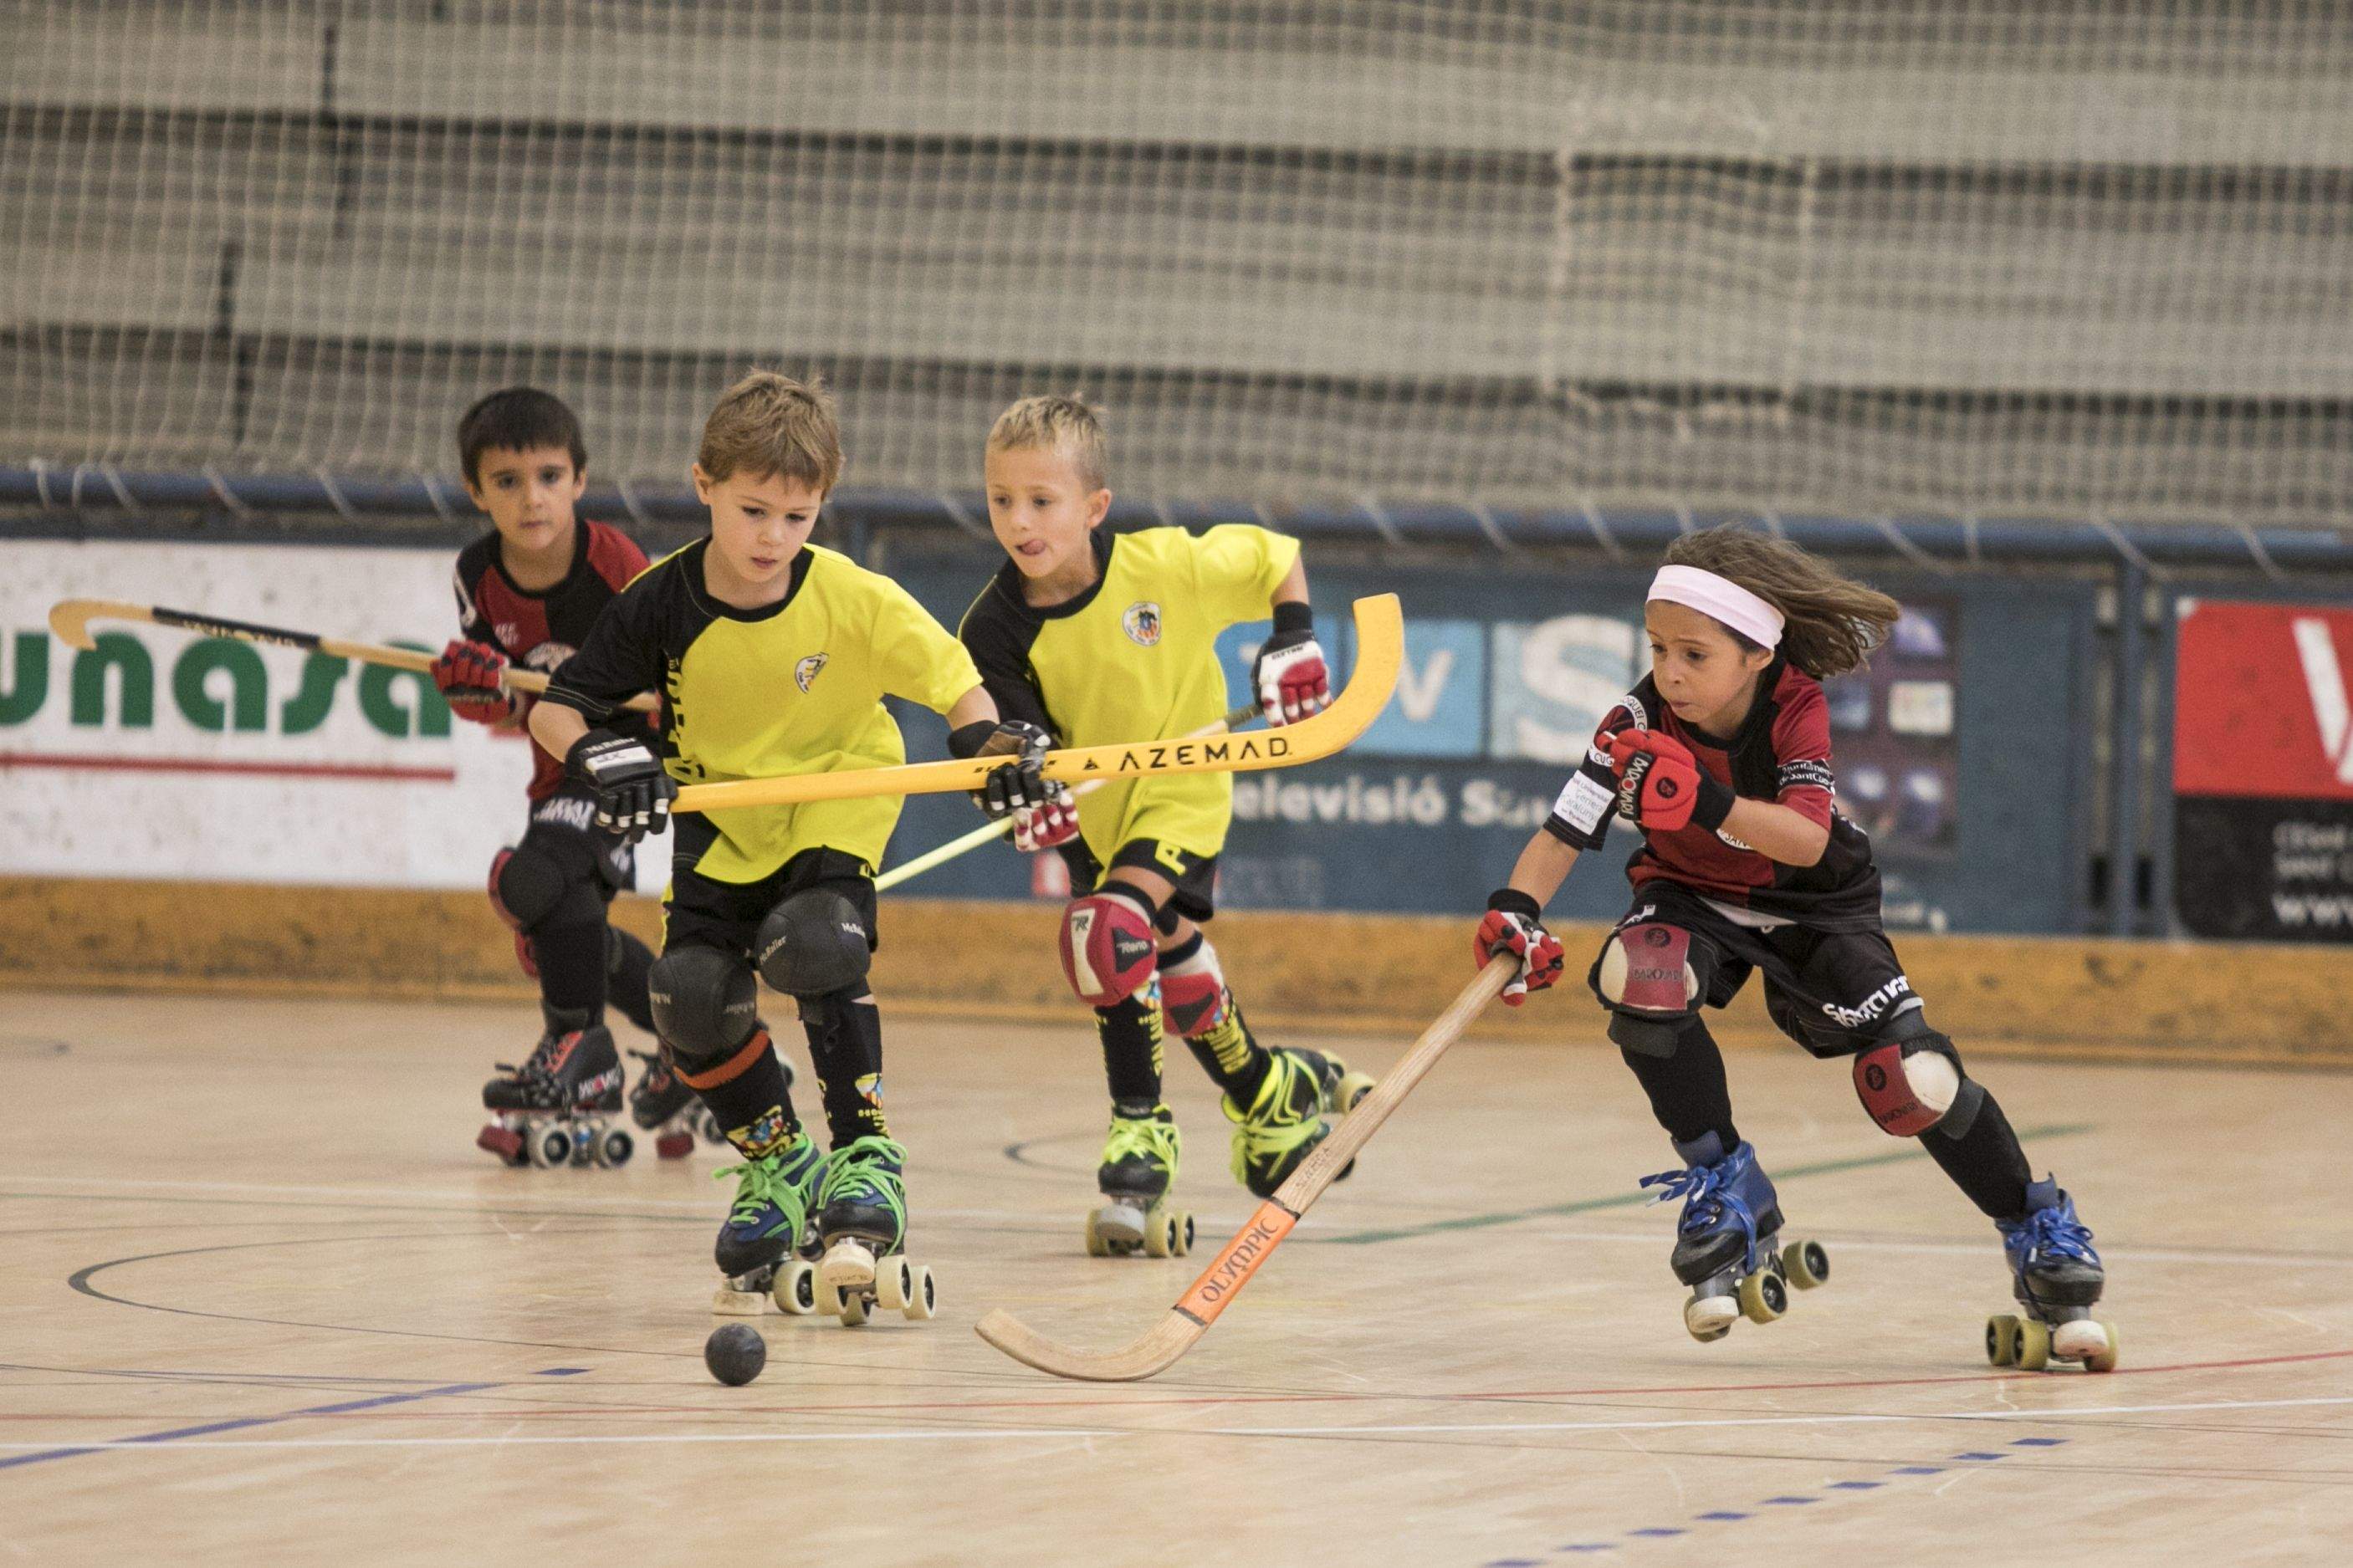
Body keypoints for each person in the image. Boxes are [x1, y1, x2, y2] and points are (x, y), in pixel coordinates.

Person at [1471, 525, 2113, 1370]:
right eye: (1657, 647)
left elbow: (1803, 843)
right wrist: (1515, 909)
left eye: (1692, 654)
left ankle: (2033, 1223)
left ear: (1753, 652)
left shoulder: (1792, 706)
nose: (1668, 671)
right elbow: (1565, 829)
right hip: (1691, 896)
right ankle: (1724, 1182)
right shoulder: (1632, 718)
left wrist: (1703, 800)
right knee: (1643, 975)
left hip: (1817, 906)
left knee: (1909, 1082)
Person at [532, 371, 1037, 1312]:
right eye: (752, 510)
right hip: (719, 813)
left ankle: (863, 1156)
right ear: (703, 485)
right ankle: (779, 1163)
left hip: (835, 795)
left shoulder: (849, 596)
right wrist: (605, 756)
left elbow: (957, 686)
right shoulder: (661, 600)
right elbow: (559, 713)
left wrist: (989, 744)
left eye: (796, 517)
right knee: (687, 999)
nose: (772, 538)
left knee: (814, 942)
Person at [958, 395, 1370, 1259]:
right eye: (1001, 500)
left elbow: (1276, 555)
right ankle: (1269, 1088)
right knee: (1166, 966)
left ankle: (1139, 1131)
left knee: (1107, 935)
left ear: (1094, 508)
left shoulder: (1164, 568)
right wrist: (1017, 792)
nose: (1019, 522)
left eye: (1042, 500)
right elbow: (1013, 739)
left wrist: (1292, 635)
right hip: (1094, 820)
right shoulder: (992, 628)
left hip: (1182, 791)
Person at [430, 386, 664, 1168]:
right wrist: (475, 689)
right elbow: (496, 713)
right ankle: (691, 1032)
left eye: (549, 476)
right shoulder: (475, 573)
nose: (531, 498)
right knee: (574, 934)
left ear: (580, 479)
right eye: (507, 481)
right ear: (475, 490)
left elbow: (670, 688)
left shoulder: (617, 566)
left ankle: (577, 1053)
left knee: (526, 884)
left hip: (628, 772)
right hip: (553, 775)